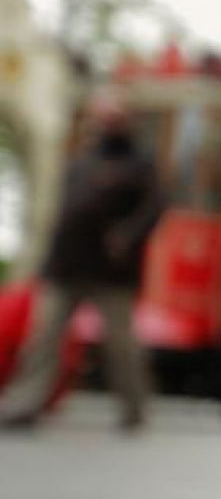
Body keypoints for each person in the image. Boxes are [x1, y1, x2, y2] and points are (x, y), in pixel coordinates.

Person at [0, 98, 164, 431]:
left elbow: (154, 209)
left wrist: (127, 238)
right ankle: (23, 404)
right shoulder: (83, 160)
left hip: (110, 269)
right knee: (43, 338)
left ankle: (135, 409)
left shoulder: (138, 164)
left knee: (121, 343)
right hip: (65, 264)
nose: (105, 123)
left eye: (113, 117)